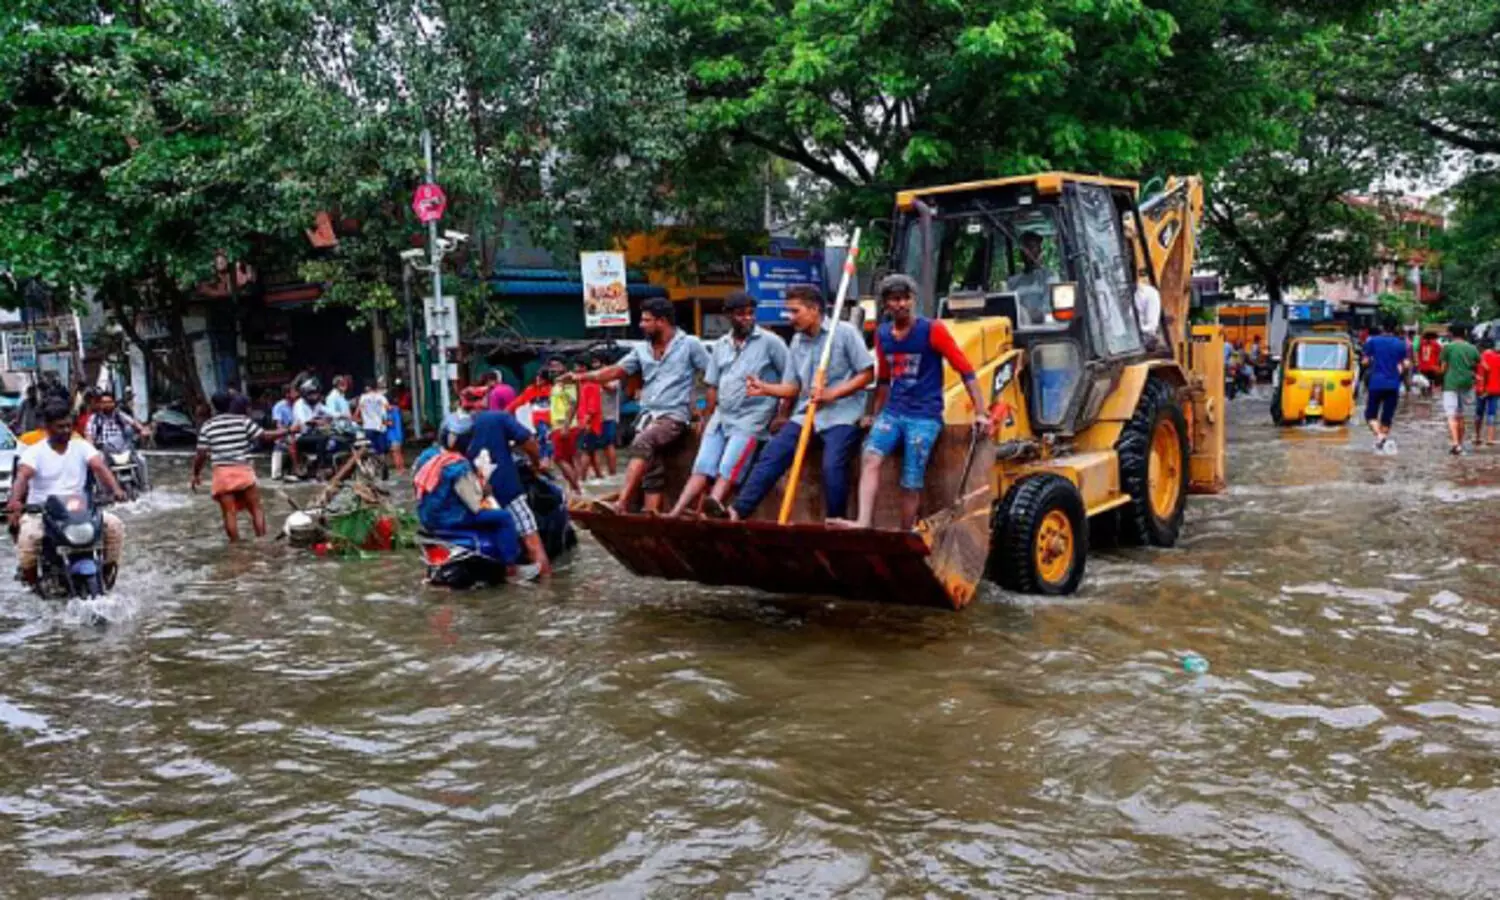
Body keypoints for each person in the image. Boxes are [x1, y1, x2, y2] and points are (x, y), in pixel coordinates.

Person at [837, 275, 990, 530]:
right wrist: (876, 414)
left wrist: (981, 412)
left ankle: (905, 532)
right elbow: (884, 379)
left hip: (925, 416)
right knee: (870, 457)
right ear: (886, 304)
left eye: (906, 298)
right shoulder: (883, 334)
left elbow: (965, 369)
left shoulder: (933, 330)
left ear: (913, 300)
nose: (901, 304)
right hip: (893, 412)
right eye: (895, 299)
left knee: (911, 478)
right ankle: (863, 521)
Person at [724, 285, 874, 523]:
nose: (790, 318)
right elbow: (793, 387)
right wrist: (765, 388)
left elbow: (867, 374)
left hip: (843, 414)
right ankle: (737, 511)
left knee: (832, 465)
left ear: (814, 309)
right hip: (807, 414)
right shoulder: (796, 341)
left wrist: (832, 393)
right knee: (772, 454)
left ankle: (835, 521)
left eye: (795, 311)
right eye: (788, 312)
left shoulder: (843, 332)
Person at [565, 297, 710, 513]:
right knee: (652, 467)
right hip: (647, 415)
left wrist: (702, 410)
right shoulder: (642, 349)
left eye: (646, 320)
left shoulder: (690, 344)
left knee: (642, 443)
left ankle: (621, 503)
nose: (641, 325)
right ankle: (650, 515)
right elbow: (615, 371)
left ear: (662, 321)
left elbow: (711, 378)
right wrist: (581, 377)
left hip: (674, 415)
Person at [667, 291, 790, 518]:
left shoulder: (771, 342)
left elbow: (791, 381)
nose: (747, 318)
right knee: (702, 466)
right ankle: (676, 512)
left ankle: (712, 507)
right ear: (729, 316)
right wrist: (706, 417)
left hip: (753, 417)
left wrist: (782, 414)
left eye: (750, 314)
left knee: (729, 466)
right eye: (741, 314)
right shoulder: (721, 344)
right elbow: (712, 385)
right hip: (722, 416)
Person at [6, 400, 128, 587]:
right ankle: (32, 584)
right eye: (60, 426)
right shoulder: (34, 453)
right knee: (29, 539)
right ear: (47, 427)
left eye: (69, 425)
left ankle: (107, 571)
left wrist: (116, 490)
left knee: (114, 526)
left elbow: (99, 467)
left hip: (79, 511)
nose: (65, 430)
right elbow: (22, 476)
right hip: (41, 512)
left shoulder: (81, 447)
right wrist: (15, 501)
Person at [412, 413, 528, 575]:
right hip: (451, 519)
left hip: (428, 518)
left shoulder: (427, 457)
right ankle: (511, 568)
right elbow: (474, 504)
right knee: (504, 518)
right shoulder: (458, 465)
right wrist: (485, 490)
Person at [191, 391, 288, 540]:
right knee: (256, 509)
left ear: (213, 406)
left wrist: (196, 474)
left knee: (229, 514)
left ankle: (236, 547)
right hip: (243, 471)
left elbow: (201, 454)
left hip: (222, 474)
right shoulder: (242, 421)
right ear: (231, 404)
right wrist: (287, 431)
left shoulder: (208, 426)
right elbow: (264, 436)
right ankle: (262, 541)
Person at [467, 409, 553, 576]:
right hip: (506, 490)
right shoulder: (498, 417)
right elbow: (528, 441)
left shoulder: (456, 425)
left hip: (474, 497)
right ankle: (546, 587)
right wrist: (537, 462)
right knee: (532, 542)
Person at [1361, 317, 1410, 454]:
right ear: (1395, 328)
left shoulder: (1373, 341)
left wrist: (1369, 362)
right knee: (1387, 418)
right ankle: (1382, 442)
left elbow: (1365, 361)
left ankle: (1380, 437)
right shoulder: (1401, 344)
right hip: (1393, 384)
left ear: (1382, 327)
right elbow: (1406, 364)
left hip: (1376, 383)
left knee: (1370, 415)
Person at [86, 390, 152, 489]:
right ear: (100, 404)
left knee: (141, 459)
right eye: (104, 403)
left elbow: (134, 423)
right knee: (98, 463)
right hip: (103, 449)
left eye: (109, 402)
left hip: (122, 447)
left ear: (114, 403)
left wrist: (143, 430)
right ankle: (103, 490)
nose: (107, 405)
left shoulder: (120, 415)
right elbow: (89, 434)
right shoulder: (94, 419)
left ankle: (145, 485)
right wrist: (90, 446)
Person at [1438, 322, 1481, 455]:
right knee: (1461, 415)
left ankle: (1456, 444)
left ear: (1451, 334)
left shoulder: (1447, 348)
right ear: (1465, 334)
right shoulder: (1473, 348)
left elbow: (1443, 368)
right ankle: (1460, 444)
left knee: (1451, 415)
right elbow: (1477, 365)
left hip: (1450, 384)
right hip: (1467, 383)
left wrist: (1439, 379)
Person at [546, 356, 583, 493]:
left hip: (565, 425)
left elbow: (573, 403)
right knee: (568, 459)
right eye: (551, 366)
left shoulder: (568, 381)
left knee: (558, 459)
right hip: (559, 425)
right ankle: (575, 491)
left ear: (563, 367)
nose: (553, 369)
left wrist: (566, 426)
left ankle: (577, 490)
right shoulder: (557, 383)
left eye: (556, 366)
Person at [1006, 231, 1059, 326]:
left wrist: (1026, 315)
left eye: (1032, 247)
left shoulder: (1049, 277)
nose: (1027, 252)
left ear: (1039, 250)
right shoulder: (1012, 282)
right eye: (1024, 248)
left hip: (1043, 330)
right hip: (1018, 330)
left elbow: (1048, 310)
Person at [507, 369, 554, 458]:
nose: (539, 380)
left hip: (552, 420)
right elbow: (518, 401)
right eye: (538, 377)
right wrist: (506, 412)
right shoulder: (531, 390)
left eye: (542, 378)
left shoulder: (552, 389)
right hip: (537, 421)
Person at [574, 358, 605, 482]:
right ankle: (600, 476)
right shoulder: (586, 385)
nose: (575, 370)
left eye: (577, 367)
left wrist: (585, 423)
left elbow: (592, 408)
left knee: (585, 451)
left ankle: (581, 479)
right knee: (592, 451)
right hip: (591, 423)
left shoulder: (591, 385)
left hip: (589, 424)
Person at [594, 354, 622, 477]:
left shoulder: (613, 377)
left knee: (608, 444)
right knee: (595, 446)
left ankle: (613, 472)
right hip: (595, 417)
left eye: (597, 362)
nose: (595, 366)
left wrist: (597, 379)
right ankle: (599, 473)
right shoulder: (596, 377)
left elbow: (611, 388)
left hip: (608, 416)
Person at [357, 379, 393, 466]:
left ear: (367, 388)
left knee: (372, 447)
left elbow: (358, 411)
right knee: (382, 448)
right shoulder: (381, 397)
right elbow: (389, 408)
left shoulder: (363, 398)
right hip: (381, 426)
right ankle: (383, 463)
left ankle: (376, 463)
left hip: (368, 427)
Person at [270, 384, 301, 480]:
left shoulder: (299, 404)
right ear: (287, 394)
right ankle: (295, 468)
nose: (296, 394)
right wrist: (288, 431)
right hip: (285, 432)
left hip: (298, 431)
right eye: (294, 392)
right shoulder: (279, 406)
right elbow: (278, 425)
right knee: (288, 441)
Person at [1475, 338, 1500, 448]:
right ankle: (1490, 439)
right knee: (1491, 413)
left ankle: (1477, 436)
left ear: (1481, 347)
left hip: (1481, 390)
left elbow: (1474, 373)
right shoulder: (1498, 358)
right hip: (1495, 390)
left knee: (1479, 413)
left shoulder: (1479, 359)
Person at [1417, 332, 1443, 398]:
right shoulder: (1435, 345)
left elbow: (1440, 355)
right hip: (1427, 367)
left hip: (1429, 367)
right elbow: (1440, 355)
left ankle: (1426, 395)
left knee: (1427, 381)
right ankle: (1427, 395)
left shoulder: (1424, 344)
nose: (1429, 340)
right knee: (1426, 381)